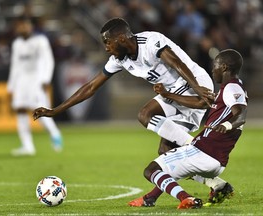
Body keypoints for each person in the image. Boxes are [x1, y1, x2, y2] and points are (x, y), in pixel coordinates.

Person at [32, 18, 228, 197]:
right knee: (165, 152)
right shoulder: (119, 59)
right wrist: (56, 110)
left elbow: (176, 63)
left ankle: (196, 147)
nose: (107, 48)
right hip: (174, 91)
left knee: (145, 114)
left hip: (193, 82)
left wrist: (199, 89)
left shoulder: (151, 42)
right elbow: (90, 87)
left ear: (122, 39)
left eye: (108, 42)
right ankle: (216, 183)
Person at [129, 49, 247, 209]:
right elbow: (201, 103)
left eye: (215, 66)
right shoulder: (229, 89)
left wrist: (226, 125)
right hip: (215, 159)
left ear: (224, 67)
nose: (213, 70)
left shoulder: (232, 88)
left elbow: (240, 115)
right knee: (166, 162)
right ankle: (150, 198)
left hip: (204, 152)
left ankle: (187, 198)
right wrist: (168, 95)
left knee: (151, 171)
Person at [7, 17, 62, 156]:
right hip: (21, 81)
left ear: (30, 26)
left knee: (40, 111)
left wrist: (46, 79)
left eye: (24, 25)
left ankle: (55, 134)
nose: (22, 28)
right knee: (20, 110)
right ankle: (27, 146)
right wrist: (11, 86)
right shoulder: (17, 43)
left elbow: (48, 60)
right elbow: (15, 66)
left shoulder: (40, 41)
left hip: (36, 80)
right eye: (19, 26)